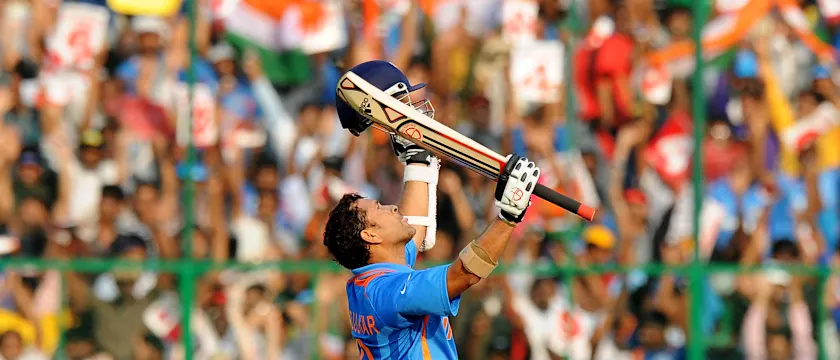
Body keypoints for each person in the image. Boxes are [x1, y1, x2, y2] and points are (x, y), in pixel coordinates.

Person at [325, 60, 541, 359]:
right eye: (380, 208)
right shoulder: (389, 292)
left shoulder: (374, 278)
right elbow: (462, 275)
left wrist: (417, 159)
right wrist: (509, 216)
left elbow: (415, 228)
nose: (391, 207)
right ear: (371, 235)